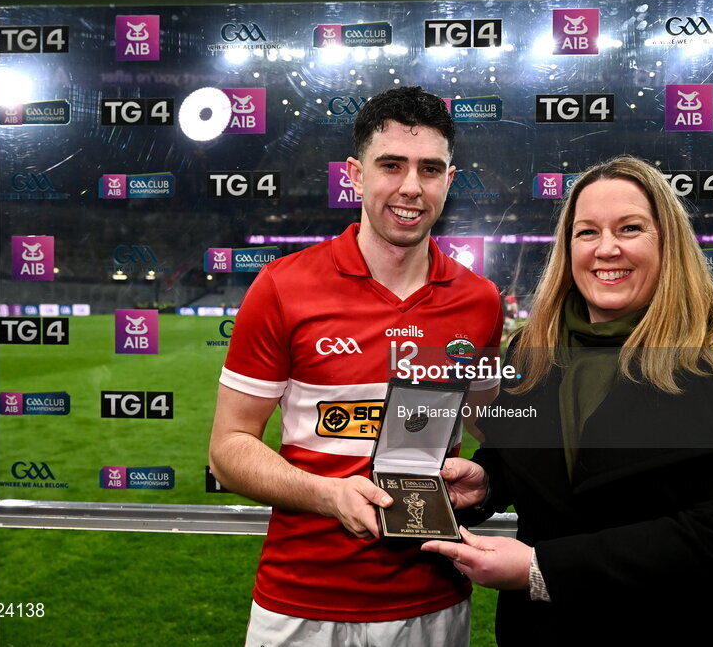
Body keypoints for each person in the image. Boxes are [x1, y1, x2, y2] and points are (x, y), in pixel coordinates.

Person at [422, 156, 713, 645]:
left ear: (668, 242)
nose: (606, 249)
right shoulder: (530, 352)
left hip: (697, 628)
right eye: (587, 232)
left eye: (630, 228)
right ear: (568, 247)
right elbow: (525, 461)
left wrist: (544, 569)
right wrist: (486, 483)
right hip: (549, 633)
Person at [208, 86, 503, 647]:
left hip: (432, 598)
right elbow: (228, 448)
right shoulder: (282, 286)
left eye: (430, 169)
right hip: (301, 598)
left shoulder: (480, 301)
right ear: (355, 175)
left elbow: (488, 426)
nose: (411, 187)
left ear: (449, 179)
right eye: (391, 165)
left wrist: (494, 468)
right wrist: (328, 494)